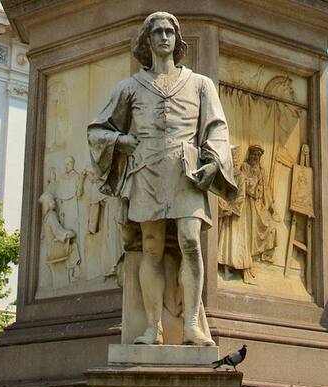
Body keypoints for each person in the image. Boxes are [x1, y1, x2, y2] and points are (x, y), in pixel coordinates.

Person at [87, 12, 236, 345]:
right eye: (158, 33)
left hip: (186, 172)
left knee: (190, 241)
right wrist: (120, 141)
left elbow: (216, 128)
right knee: (151, 247)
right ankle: (152, 326)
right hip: (147, 170)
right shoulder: (129, 87)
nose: (165, 37)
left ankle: (192, 324)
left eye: (170, 32)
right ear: (148, 40)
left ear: (177, 39)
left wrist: (214, 163)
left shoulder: (200, 84)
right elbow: (98, 129)